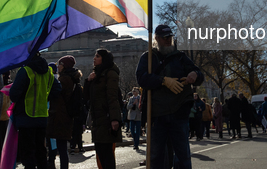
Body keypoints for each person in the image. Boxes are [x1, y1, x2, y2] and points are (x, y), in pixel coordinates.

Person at [136, 24, 204, 169]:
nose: (168, 40)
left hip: (178, 113)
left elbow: (198, 74)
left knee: (182, 156)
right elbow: (142, 78)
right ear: (157, 38)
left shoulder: (180, 57)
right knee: (156, 157)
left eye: (170, 37)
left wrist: (195, 75)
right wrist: (163, 81)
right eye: (165, 38)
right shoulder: (148, 57)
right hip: (157, 115)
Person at [10, 53, 61, 169]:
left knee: (28, 152)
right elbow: (57, 89)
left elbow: (14, 95)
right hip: (42, 116)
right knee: (41, 150)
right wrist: (45, 97)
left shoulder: (25, 71)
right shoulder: (48, 71)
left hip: (26, 116)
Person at [83, 48, 122, 169]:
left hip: (106, 118)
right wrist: (88, 81)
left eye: (97, 56)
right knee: (100, 153)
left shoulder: (110, 73)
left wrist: (114, 119)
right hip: (97, 119)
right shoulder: (96, 74)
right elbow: (86, 97)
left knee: (107, 155)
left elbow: (112, 97)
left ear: (104, 59)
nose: (94, 58)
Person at [47, 55, 82, 169]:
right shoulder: (72, 78)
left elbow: (55, 94)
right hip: (66, 115)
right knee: (62, 146)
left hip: (60, 115)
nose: (58, 67)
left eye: (60, 64)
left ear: (64, 66)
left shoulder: (64, 79)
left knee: (61, 147)